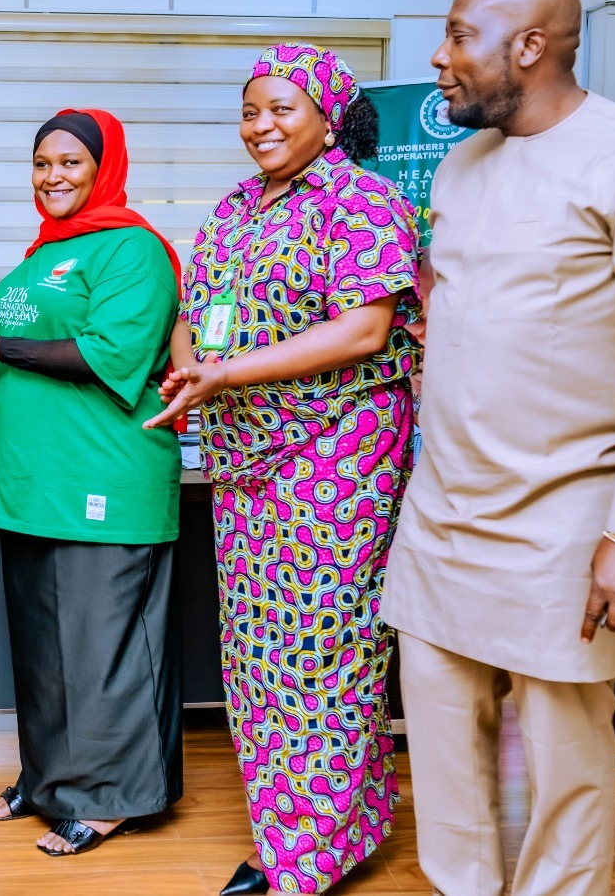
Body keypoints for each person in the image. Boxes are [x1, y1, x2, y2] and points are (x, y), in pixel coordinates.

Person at [382, 0, 615, 896]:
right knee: (442, 749)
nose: (439, 58)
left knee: (568, 764)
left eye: (459, 36)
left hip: (570, 523)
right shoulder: (462, 163)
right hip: (445, 513)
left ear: (530, 46)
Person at [147, 44, 420, 895]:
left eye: (281, 109)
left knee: (323, 649)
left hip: (335, 457)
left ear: (328, 120)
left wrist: (226, 374)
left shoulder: (364, 200)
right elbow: (195, 314)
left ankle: (306, 859)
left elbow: (364, 330)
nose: (259, 126)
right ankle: (312, 831)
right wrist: (191, 371)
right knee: (257, 655)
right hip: (246, 460)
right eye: (249, 111)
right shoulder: (234, 207)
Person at [0, 109, 184, 856]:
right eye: (42, 163)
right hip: (33, 482)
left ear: (103, 167)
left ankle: (109, 797)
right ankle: (46, 779)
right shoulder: (44, 250)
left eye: (70, 162)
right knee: (45, 647)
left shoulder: (133, 248)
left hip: (104, 477)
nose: (53, 176)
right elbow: (21, 342)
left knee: (102, 649)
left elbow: (110, 355)